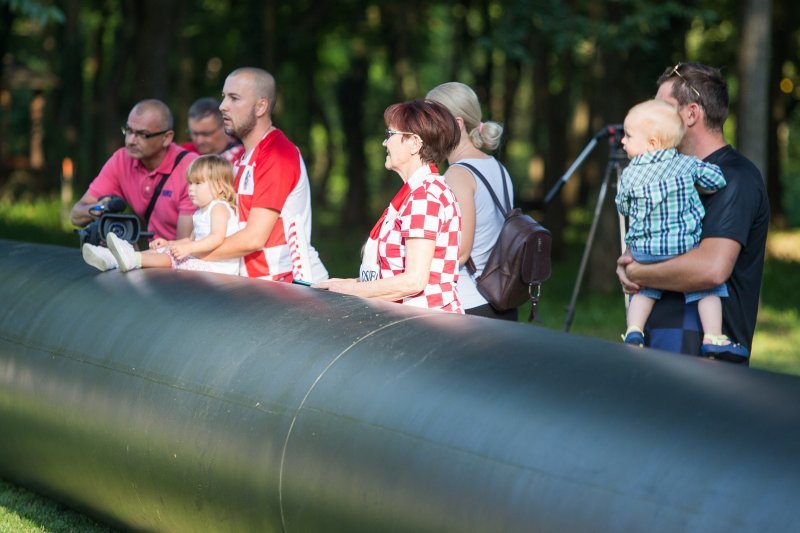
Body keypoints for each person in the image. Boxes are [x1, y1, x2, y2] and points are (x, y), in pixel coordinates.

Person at [617, 62, 770, 362]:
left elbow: (711, 269)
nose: (652, 119)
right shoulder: (665, 176)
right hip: (661, 345)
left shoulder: (736, 178)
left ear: (691, 114)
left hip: (705, 360)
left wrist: (638, 272)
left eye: (662, 108)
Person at [314, 100, 463, 313]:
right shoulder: (421, 191)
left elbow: (414, 281)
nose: (385, 143)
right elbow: (393, 274)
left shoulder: (424, 196)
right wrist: (348, 284)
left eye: (390, 134)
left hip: (427, 326)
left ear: (414, 143)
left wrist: (349, 290)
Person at [200, 67, 328, 282]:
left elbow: (253, 238)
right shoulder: (243, 157)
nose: (222, 106)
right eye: (223, 97)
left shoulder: (277, 154)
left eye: (234, 98)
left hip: (291, 285)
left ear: (261, 107)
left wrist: (187, 253)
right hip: (263, 288)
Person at [426, 81, 516, 320]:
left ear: (457, 124)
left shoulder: (458, 174)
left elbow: (460, 251)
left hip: (469, 305)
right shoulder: (497, 167)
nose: (427, 131)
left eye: (433, 121)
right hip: (502, 299)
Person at [82, 155, 240, 275]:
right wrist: (170, 243)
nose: (191, 189)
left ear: (219, 188)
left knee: (171, 258)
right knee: (162, 251)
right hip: (202, 258)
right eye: (190, 183)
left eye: (198, 183)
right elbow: (191, 239)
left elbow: (216, 238)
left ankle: (133, 259)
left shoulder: (218, 207)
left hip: (218, 267)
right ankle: (114, 258)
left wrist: (189, 248)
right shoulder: (200, 212)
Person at [70, 99, 197, 242]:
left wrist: (137, 257)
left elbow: (184, 249)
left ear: (167, 138)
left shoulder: (192, 169)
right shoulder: (122, 160)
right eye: (129, 131)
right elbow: (76, 215)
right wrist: (103, 207)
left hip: (188, 259)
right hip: (154, 255)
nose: (131, 140)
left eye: (143, 134)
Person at [181, 97, 245, 162]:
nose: (199, 141)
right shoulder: (183, 153)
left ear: (225, 125)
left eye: (206, 134)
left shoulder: (243, 158)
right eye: (194, 134)